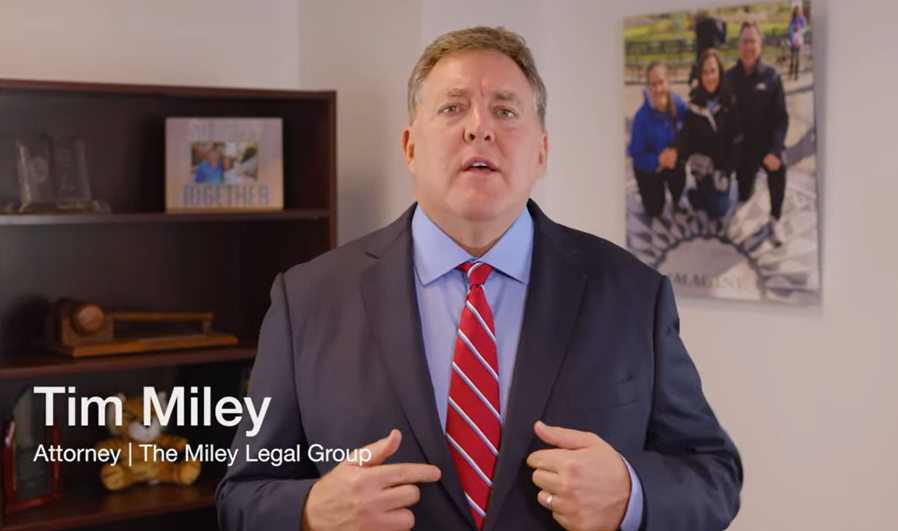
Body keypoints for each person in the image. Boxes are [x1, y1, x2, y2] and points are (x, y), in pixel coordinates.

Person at [216, 26, 742, 531]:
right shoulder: (307, 299)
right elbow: (240, 495)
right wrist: (309, 511)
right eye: (451, 108)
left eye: (505, 111)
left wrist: (632, 494)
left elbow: (713, 474)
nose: (479, 127)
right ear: (410, 147)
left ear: (541, 151)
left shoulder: (633, 293)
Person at [727, 21, 789, 246]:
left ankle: (775, 218)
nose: (748, 46)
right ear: (738, 46)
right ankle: (743, 191)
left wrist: (775, 149)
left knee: (779, 168)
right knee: (744, 194)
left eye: (752, 41)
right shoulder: (730, 78)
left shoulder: (771, 76)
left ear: (760, 45)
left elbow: (781, 118)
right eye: (744, 41)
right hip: (743, 150)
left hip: (765, 147)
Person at [678, 48, 742, 220]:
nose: (709, 77)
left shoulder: (729, 102)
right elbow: (688, 138)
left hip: (722, 168)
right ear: (699, 75)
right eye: (705, 72)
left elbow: (735, 140)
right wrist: (690, 157)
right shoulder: (694, 104)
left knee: (720, 210)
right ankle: (694, 194)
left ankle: (712, 193)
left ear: (720, 72)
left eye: (713, 71)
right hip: (704, 168)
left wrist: (727, 171)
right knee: (714, 208)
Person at [627, 61, 688, 218]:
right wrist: (658, 160)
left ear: (668, 83)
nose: (658, 89)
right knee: (654, 210)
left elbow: (687, 129)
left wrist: (676, 151)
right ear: (648, 87)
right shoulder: (641, 118)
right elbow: (636, 153)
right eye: (653, 84)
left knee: (679, 172)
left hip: (672, 159)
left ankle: (677, 198)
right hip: (649, 166)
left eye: (661, 82)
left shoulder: (678, 104)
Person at [787, 3, 807, 80]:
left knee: (797, 57)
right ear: (794, 11)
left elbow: (804, 29)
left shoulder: (802, 19)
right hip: (792, 40)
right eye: (796, 10)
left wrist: (799, 31)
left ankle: (796, 74)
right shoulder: (792, 19)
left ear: (800, 11)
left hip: (798, 40)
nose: (797, 11)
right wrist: (793, 31)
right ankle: (791, 72)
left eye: (799, 10)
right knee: (792, 57)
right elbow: (789, 29)